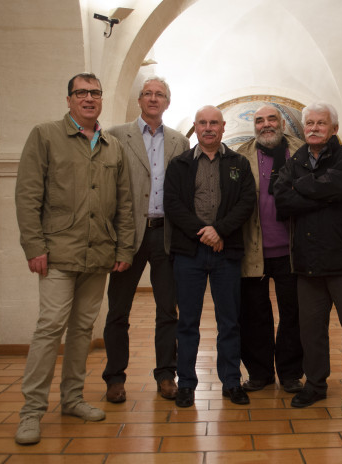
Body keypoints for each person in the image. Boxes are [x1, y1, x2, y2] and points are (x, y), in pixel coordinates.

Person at [14, 72, 135, 445]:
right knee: (50, 327)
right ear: (68, 99)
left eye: (95, 93)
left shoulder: (113, 147)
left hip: (99, 254)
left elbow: (125, 204)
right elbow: (28, 195)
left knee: (82, 329)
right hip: (57, 252)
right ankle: (31, 411)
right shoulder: (45, 135)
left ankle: (72, 399)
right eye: (81, 93)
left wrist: (124, 248)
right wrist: (34, 246)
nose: (88, 98)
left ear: (101, 99)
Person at [274, 102, 342, 413]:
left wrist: (301, 187)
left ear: (334, 128)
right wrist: (326, 194)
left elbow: (341, 184)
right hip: (307, 262)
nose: (314, 128)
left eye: (321, 123)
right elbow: (282, 200)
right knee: (311, 331)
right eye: (310, 123)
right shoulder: (295, 160)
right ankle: (315, 385)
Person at [103, 77, 190, 403]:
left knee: (168, 310)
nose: (154, 99)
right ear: (140, 100)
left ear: (167, 102)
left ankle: (166, 375)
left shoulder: (180, 141)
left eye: (160, 95)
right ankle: (115, 378)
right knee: (118, 311)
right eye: (148, 94)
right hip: (128, 234)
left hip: (165, 235)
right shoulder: (115, 135)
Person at [163, 105, 255, 407]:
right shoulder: (179, 164)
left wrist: (220, 231)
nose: (208, 128)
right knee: (187, 322)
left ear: (223, 127)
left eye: (214, 122)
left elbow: (246, 202)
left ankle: (231, 382)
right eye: (202, 123)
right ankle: (187, 384)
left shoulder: (239, 163)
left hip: (226, 253)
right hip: (189, 253)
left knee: (229, 321)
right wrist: (204, 232)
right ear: (195, 127)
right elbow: (173, 204)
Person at [237, 105, 305, 393]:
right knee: (254, 315)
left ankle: (290, 373)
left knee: (293, 314)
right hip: (253, 251)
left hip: (292, 250)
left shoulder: (301, 152)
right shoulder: (241, 155)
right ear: (254, 126)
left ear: (283, 124)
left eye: (271, 119)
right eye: (259, 120)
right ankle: (260, 372)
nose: (266, 124)